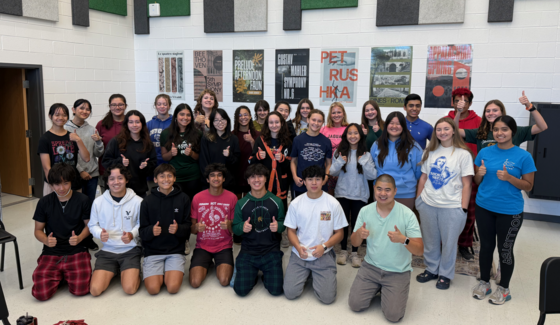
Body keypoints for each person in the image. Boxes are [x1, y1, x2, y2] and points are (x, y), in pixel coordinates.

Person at [472, 115, 536, 305]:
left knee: (505, 250)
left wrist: (510, 178)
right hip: (484, 207)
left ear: (512, 132)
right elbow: (476, 181)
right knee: (485, 248)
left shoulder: (524, 156)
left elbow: (528, 186)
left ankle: (504, 289)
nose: (500, 133)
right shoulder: (484, 152)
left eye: (505, 129)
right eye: (497, 129)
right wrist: (479, 174)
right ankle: (484, 282)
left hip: (510, 211)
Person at [348, 174, 423, 322]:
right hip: (370, 267)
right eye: (379, 189)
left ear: (395, 191)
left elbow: (420, 250)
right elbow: (355, 243)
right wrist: (359, 234)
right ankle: (378, 287)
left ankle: (387, 289)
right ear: (374, 189)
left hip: (397, 271)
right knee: (355, 304)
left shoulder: (407, 214)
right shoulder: (365, 211)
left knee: (393, 316)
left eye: (387, 190)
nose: (383, 194)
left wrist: (404, 240)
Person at [415, 117, 474, 289]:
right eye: (439, 129)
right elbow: (423, 178)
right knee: (430, 240)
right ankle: (432, 269)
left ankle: (445, 274)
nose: (442, 132)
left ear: (454, 130)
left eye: (446, 129)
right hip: (428, 203)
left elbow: (467, 184)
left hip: (452, 206)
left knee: (449, 243)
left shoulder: (463, 154)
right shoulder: (430, 152)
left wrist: (462, 208)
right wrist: (419, 200)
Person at [283, 165, 347, 304]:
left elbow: (340, 234)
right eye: (310, 179)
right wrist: (298, 248)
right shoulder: (296, 203)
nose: (313, 183)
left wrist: (324, 246)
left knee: (327, 299)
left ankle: (317, 273)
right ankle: (307, 273)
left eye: (318, 179)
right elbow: (291, 231)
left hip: (323, 253)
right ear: (304, 181)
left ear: (323, 180)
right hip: (301, 253)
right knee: (290, 293)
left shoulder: (333, 203)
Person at [31, 163, 92, 301]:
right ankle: (62, 275)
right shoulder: (44, 202)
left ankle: (62, 275)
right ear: (51, 185)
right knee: (40, 294)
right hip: (52, 251)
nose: (62, 188)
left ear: (71, 182)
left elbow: (90, 226)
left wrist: (80, 237)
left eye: (66, 183)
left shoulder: (83, 200)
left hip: (77, 249)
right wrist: (46, 240)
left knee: (81, 290)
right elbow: (38, 230)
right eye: (57, 184)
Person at [88, 164, 143, 296]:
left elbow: (142, 224)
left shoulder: (138, 201)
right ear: (107, 182)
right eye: (112, 179)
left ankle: (131, 271)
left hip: (130, 250)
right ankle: (117, 269)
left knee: (130, 289)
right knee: (95, 290)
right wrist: (99, 233)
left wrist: (132, 234)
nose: (116, 182)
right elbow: (92, 225)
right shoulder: (98, 202)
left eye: (120, 178)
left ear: (127, 180)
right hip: (108, 251)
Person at [232, 164, 285, 297]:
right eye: (252, 177)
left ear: (266, 179)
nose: (257, 180)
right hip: (248, 251)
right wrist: (241, 227)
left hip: (271, 250)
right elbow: (235, 229)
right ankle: (252, 275)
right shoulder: (241, 203)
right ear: (248, 181)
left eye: (260, 176)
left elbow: (284, 223)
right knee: (240, 291)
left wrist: (278, 226)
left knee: (276, 290)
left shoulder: (277, 201)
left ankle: (265, 274)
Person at [329, 123, 377, 267]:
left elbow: (372, 175)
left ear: (360, 136)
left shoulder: (366, 155)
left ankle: (355, 253)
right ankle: (343, 251)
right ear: (345, 136)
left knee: (357, 225)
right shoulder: (339, 152)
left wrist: (363, 163)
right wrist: (339, 162)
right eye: (350, 133)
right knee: (343, 225)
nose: (353, 136)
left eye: (356, 133)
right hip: (342, 193)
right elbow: (332, 172)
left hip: (360, 195)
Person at [139, 164, 192, 295]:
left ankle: (169, 271)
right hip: (153, 251)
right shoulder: (147, 201)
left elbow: (188, 227)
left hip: (175, 250)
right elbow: (142, 232)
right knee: (153, 290)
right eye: (162, 176)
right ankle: (159, 272)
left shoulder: (183, 198)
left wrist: (178, 229)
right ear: (155, 180)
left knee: (173, 288)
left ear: (174, 178)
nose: (166, 179)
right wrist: (151, 230)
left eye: (169, 176)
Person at [161, 103, 202, 255]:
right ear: (176, 117)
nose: (185, 118)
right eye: (182, 115)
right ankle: (182, 238)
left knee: (193, 209)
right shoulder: (166, 133)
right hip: (175, 178)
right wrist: (171, 153)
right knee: (177, 209)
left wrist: (191, 154)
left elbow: (200, 157)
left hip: (193, 176)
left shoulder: (197, 134)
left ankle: (196, 235)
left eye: (188, 115)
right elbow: (164, 157)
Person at [445, 88, 481, 261]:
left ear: (470, 103)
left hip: (470, 174)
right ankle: (448, 242)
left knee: (468, 213)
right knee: (449, 211)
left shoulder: (479, 121)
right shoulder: (447, 120)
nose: (461, 103)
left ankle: (464, 244)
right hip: (450, 174)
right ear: (452, 102)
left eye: (465, 100)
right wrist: (456, 114)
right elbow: (451, 133)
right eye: (457, 100)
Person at [249, 111, 293, 248]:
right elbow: (251, 161)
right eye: (271, 122)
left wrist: (283, 159)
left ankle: (281, 231)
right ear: (267, 124)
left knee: (280, 207)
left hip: (281, 181)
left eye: (277, 122)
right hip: (265, 182)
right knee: (264, 206)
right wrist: (258, 156)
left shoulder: (287, 141)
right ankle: (263, 230)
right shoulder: (260, 140)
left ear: (282, 123)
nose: (274, 125)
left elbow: (291, 164)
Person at [189, 163, 237, 288]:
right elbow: (192, 229)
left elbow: (234, 229)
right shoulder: (197, 198)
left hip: (223, 246)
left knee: (224, 280)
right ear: (207, 179)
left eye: (219, 175)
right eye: (212, 175)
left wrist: (229, 225)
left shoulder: (232, 197)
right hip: (202, 246)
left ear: (224, 179)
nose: (216, 178)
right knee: (195, 283)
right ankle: (208, 262)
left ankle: (216, 263)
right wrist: (196, 228)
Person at [457, 92, 548, 152]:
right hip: (486, 177)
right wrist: (459, 112)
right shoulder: (480, 132)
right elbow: (454, 130)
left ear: (502, 112)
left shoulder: (515, 131)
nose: (491, 113)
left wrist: (530, 106)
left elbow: (542, 127)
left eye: (495, 110)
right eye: (488, 111)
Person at [370, 111, 422, 210]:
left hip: (405, 193)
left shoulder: (414, 147)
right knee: (381, 224)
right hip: (381, 193)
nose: (394, 126)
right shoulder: (377, 145)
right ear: (386, 125)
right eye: (391, 123)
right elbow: (372, 168)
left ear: (403, 126)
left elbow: (418, 172)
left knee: (401, 225)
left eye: (398, 123)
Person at [38, 103, 90, 196]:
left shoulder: (72, 136)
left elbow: (86, 158)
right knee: (53, 210)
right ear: (50, 116)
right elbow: (46, 167)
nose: (61, 118)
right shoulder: (45, 138)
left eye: (64, 115)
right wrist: (54, 186)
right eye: (57, 115)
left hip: (73, 182)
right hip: (54, 183)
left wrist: (78, 140)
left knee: (74, 210)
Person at [102, 110, 157, 198]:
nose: (134, 125)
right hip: (119, 189)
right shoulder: (116, 141)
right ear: (126, 124)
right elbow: (105, 162)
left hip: (139, 189)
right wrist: (120, 162)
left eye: (137, 122)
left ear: (142, 124)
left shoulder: (147, 143)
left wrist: (146, 166)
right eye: (131, 122)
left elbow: (153, 163)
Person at [64, 99, 104, 203]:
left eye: (87, 109)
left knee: (89, 205)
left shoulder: (92, 129)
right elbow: (66, 154)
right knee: (75, 205)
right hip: (74, 174)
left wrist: (99, 142)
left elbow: (98, 154)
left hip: (92, 174)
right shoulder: (65, 128)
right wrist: (80, 171)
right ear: (73, 110)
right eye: (81, 108)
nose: (84, 111)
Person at [290, 109, 332, 197]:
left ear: (323, 123)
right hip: (301, 183)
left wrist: (326, 177)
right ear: (308, 120)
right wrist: (294, 177)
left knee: (320, 209)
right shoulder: (298, 140)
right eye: (313, 120)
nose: (316, 123)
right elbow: (293, 161)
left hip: (319, 183)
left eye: (319, 121)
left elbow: (328, 163)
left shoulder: (326, 141)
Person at [199, 108, 241, 193]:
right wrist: (211, 178)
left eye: (222, 119)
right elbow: (203, 162)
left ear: (227, 120)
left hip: (228, 183)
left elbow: (236, 163)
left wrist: (229, 156)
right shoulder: (206, 138)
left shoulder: (233, 139)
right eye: (216, 120)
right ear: (212, 122)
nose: (220, 122)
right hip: (209, 183)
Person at [96, 94, 127, 193]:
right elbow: (97, 149)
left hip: (127, 169)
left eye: (120, 104)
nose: (117, 107)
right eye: (113, 105)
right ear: (109, 106)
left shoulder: (131, 123)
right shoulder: (101, 124)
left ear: (125, 106)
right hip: (106, 170)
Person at [321, 102, 350, 195]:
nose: (336, 115)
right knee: (329, 199)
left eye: (339, 112)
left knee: (343, 201)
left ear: (343, 114)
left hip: (345, 171)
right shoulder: (324, 129)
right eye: (333, 113)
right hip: (328, 171)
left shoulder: (349, 129)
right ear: (330, 115)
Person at [232, 105, 259, 197]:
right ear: (236, 118)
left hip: (253, 178)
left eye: (245, 115)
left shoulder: (258, 135)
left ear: (250, 116)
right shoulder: (232, 135)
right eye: (240, 115)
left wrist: (252, 141)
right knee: (238, 206)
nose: (243, 117)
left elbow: (259, 156)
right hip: (236, 178)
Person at [361, 100, 384, 203]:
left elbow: (388, 144)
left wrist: (379, 132)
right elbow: (359, 149)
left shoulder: (385, 126)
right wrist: (363, 136)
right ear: (364, 113)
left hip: (382, 166)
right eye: (367, 110)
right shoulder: (361, 128)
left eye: (372, 109)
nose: (370, 112)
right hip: (367, 168)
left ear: (377, 111)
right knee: (369, 196)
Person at [147, 94, 173, 167]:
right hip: (153, 161)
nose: (162, 106)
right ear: (155, 106)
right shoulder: (149, 124)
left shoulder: (175, 123)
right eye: (159, 104)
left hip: (170, 161)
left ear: (169, 106)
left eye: (165, 104)